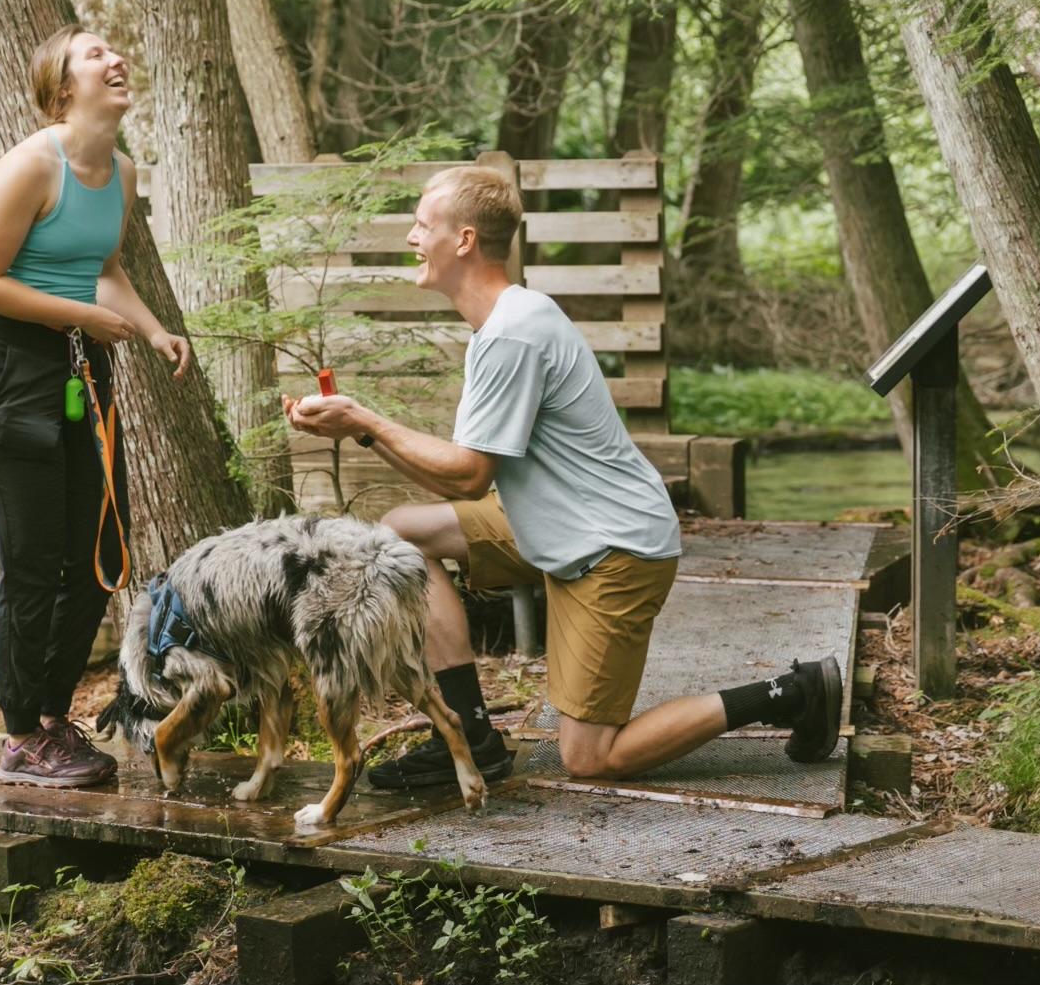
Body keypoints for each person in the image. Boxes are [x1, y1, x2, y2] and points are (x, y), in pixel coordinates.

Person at [284, 166, 841, 789]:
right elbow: (464, 474)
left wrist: (364, 418)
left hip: (615, 549)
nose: (412, 237)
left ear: (463, 240)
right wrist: (359, 428)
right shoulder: (505, 321)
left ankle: (788, 692)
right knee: (401, 537)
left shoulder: (512, 335)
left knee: (591, 758)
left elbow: (466, 478)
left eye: (422, 224)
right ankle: (471, 738)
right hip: (559, 520)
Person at [0, 25, 191, 787]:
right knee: (29, 565)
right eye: (96, 56)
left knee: (100, 555)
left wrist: (153, 330)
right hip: (5, 374)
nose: (115, 59)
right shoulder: (30, 166)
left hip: (78, 371)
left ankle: (55, 718)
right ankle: (22, 735)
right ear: (62, 89)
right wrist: (80, 317)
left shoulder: (118, 172)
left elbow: (105, 269)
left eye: (115, 52)